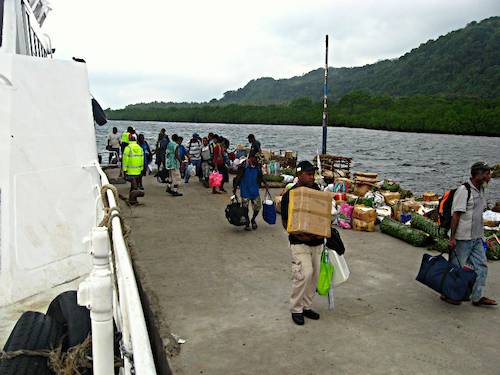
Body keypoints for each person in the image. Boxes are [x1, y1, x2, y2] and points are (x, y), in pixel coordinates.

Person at [281, 161, 325, 325]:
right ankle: (296, 309)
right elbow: (285, 222)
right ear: (299, 175)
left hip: (317, 242)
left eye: (313, 174)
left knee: (314, 276)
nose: (311, 177)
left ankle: (306, 306)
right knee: (303, 274)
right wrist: (299, 234)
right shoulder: (290, 195)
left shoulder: (317, 191)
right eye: (308, 174)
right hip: (299, 242)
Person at [447, 161, 496, 307]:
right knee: (457, 268)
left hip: (476, 237)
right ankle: (449, 294)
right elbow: (456, 215)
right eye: (487, 174)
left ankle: (477, 297)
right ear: (478, 174)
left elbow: (477, 215)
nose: (489, 177)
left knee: (481, 266)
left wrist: (484, 237)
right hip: (462, 238)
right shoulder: (464, 190)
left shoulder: (481, 190)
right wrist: (452, 238)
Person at [233, 156, 265, 231]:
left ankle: (253, 219)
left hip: (254, 190)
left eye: (257, 159)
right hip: (245, 190)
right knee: (245, 209)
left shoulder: (257, 166)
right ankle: (247, 223)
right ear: (250, 158)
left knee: (257, 207)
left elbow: (260, 176)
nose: (256, 160)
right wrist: (235, 188)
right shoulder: (244, 166)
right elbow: (238, 177)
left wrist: (265, 184)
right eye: (255, 158)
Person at [122, 134, 144, 205]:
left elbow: (125, 160)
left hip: (130, 171)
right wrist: (141, 169)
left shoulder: (128, 148)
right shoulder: (140, 148)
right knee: (133, 184)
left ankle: (133, 199)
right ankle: (133, 199)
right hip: (137, 171)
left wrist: (124, 169)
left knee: (133, 185)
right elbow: (142, 159)